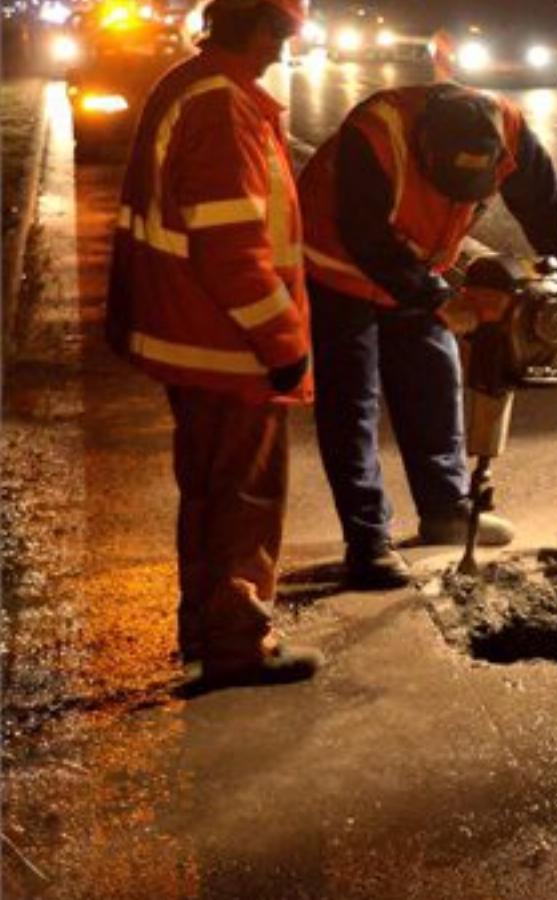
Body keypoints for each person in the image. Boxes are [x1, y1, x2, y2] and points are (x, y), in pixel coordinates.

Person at [105, 0, 321, 687]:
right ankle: (235, 642)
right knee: (244, 498)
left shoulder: (192, 85)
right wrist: (282, 338)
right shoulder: (223, 106)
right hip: (228, 346)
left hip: (189, 335)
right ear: (260, 28)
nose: (284, 48)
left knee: (206, 491)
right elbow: (231, 245)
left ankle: (202, 624)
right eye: (283, 33)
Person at [298, 83, 557, 589]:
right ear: (426, 149)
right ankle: (367, 542)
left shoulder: (510, 131)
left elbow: (547, 205)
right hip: (338, 263)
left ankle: (445, 510)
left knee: (434, 376)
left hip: (418, 264)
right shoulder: (377, 135)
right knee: (352, 401)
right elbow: (366, 238)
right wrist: (440, 300)